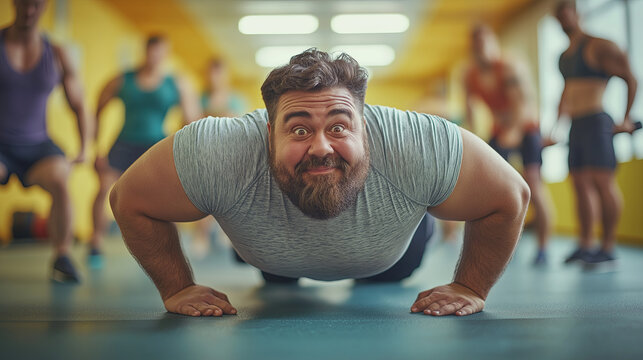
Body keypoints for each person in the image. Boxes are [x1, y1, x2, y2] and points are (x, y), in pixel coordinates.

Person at [109, 49, 530, 318]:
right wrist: (177, 286)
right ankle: (280, 266)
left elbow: (511, 196)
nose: (321, 147)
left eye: (339, 126)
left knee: (385, 275)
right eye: (298, 130)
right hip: (270, 253)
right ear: (269, 130)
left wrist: (470, 286)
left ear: (365, 127)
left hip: (386, 255)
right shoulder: (222, 147)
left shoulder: (414, 142)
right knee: (276, 275)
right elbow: (129, 199)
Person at [0, 0, 90, 282]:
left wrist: (85, 146)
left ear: (45, 6)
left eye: (36, 5)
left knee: (61, 178)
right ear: (14, 3)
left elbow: (79, 105)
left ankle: (62, 257)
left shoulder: (58, 53)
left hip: (38, 145)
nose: (29, 11)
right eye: (24, 4)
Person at [90, 35, 199, 267]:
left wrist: (185, 148)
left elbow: (192, 120)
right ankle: (95, 243)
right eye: (152, 51)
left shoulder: (176, 83)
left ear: (166, 54)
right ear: (145, 51)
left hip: (155, 147)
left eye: (161, 52)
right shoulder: (124, 79)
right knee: (103, 189)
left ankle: (170, 248)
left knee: (168, 197)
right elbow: (97, 109)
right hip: (123, 145)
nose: (155, 57)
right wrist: (96, 149)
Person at [553, 1, 638, 268]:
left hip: (597, 120)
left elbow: (630, 78)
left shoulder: (599, 46)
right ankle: (586, 244)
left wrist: (625, 119)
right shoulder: (564, 56)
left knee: (602, 182)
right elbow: (566, 93)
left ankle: (609, 246)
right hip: (575, 126)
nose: (563, 20)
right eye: (559, 16)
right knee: (579, 185)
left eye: (566, 14)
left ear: (577, 14)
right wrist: (556, 126)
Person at [464, 24, 552, 265]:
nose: (481, 48)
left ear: (493, 42)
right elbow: (470, 109)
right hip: (500, 131)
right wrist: (474, 137)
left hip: (526, 128)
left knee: (533, 184)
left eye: (485, 42)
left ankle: (543, 247)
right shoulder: (470, 75)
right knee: (492, 188)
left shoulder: (509, 67)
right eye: (476, 43)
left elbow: (523, 105)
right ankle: (498, 246)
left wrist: (513, 133)